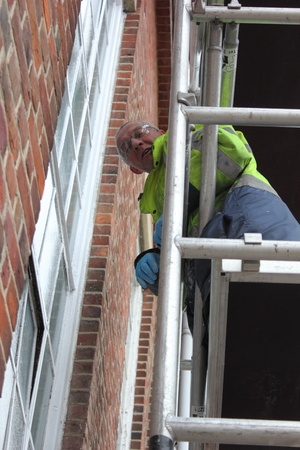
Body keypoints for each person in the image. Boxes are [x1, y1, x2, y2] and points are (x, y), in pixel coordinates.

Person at [115, 120, 300, 339]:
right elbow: (180, 274)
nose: (136, 143)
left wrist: (178, 208)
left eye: (140, 132)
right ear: (134, 169)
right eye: (127, 147)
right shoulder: (156, 203)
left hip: (250, 225)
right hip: (217, 281)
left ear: (161, 132)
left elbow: (230, 156)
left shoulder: (193, 135)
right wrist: (157, 265)